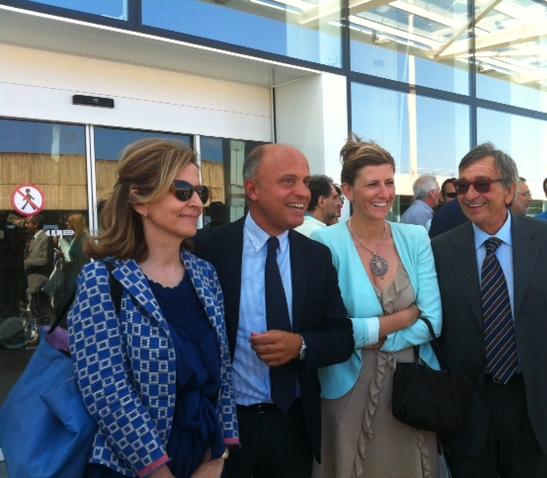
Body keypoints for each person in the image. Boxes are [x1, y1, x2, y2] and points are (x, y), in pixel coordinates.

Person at [68, 139, 239, 478]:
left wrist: (218, 456)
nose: (197, 203)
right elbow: (106, 391)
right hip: (133, 466)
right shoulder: (102, 279)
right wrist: (157, 471)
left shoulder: (205, 274)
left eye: (200, 193)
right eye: (182, 191)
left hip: (203, 457)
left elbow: (223, 373)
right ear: (140, 201)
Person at [194, 144, 354, 478]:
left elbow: (342, 337)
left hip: (292, 425)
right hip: (225, 426)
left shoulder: (316, 257)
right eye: (288, 181)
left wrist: (301, 345)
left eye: (305, 182)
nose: (303, 192)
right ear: (252, 190)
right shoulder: (207, 249)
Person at [431, 143, 547, 478]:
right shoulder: (440, 249)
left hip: (532, 399)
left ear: (509, 191)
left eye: (482, 184)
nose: (471, 195)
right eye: (462, 186)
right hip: (467, 404)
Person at [311, 137, 443, 478]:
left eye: (389, 182)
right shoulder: (324, 242)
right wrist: (403, 317)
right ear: (348, 191)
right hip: (347, 385)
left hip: (411, 386)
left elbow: (433, 321)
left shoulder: (415, 237)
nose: (384, 193)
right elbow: (330, 329)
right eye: (372, 184)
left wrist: (375, 336)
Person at [23, 214, 54, 338]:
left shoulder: (45, 238)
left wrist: (26, 263)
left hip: (40, 280)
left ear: (36, 224)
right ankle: (40, 334)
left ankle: (49, 336)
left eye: (28, 223)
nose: (26, 225)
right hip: (32, 279)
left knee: (43, 309)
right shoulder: (33, 238)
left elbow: (44, 260)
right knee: (36, 308)